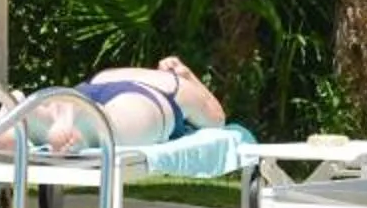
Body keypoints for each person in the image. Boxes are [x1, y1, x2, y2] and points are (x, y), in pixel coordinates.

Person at [12, 59, 227, 154]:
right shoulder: (179, 85)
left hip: (92, 86)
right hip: (144, 96)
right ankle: (78, 126)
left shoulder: (118, 71)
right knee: (111, 125)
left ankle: (31, 111)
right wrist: (188, 75)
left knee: (87, 115)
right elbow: (217, 118)